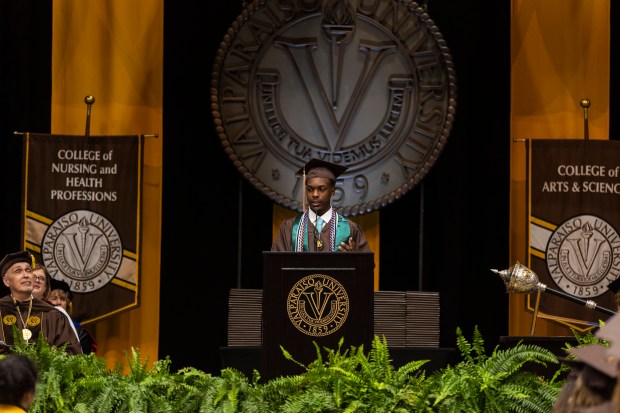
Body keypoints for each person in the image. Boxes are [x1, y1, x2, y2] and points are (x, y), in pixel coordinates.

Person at [271, 158, 371, 252]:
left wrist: (357, 259)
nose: (315, 194)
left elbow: (368, 267)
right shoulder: (289, 228)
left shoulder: (350, 229)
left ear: (333, 191)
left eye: (321, 189)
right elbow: (274, 265)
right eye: (310, 189)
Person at [0, 251, 82, 355]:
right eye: (18, 271)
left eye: (28, 270)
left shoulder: (53, 315)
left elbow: (72, 353)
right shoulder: (1, 309)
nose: (25, 275)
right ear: (7, 281)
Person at [32, 263, 80, 344]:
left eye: (41, 278)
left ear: (46, 287)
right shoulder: (11, 306)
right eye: (33, 277)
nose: (37, 280)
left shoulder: (56, 314)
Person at [47, 280, 98, 355]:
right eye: (54, 299)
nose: (59, 302)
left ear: (67, 304)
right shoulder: (41, 325)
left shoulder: (78, 330)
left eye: (63, 299)